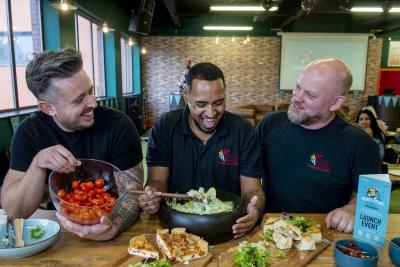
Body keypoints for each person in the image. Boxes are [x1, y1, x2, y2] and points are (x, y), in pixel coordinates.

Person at [1, 48, 143, 241]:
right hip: (59, 230)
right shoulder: (30, 132)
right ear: (48, 108)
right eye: (79, 100)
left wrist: (114, 228)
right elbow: (14, 212)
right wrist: (37, 163)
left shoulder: (119, 125)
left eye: (91, 92)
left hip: (112, 224)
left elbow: (133, 195)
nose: (93, 103)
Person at [139, 62, 265, 238]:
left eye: (219, 103)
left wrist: (255, 209)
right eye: (201, 104)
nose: (211, 113)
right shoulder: (165, 126)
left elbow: (252, 189)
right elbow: (157, 181)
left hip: (227, 227)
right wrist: (152, 196)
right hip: (175, 228)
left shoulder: (243, 130)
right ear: (185, 95)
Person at [256, 58, 381, 233]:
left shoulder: (360, 143)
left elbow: (375, 200)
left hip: (322, 236)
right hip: (268, 230)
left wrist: (353, 209)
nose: (296, 98)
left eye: (310, 95)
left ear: (336, 102)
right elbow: (247, 171)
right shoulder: (270, 123)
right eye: (298, 87)